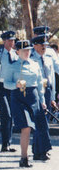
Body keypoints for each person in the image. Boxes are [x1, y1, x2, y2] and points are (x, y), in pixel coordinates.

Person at [5, 39, 43, 168]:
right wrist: (15, 85)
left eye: (28, 50)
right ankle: (24, 157)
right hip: (19, 97)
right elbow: (6, 83)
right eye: (24, 50)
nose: (27, 53)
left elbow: (39, 84)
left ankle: (37, 152)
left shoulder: (35, 64)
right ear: (17, 52)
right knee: (26, 127)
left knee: (34, 127)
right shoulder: (12, 66)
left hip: (33, 97)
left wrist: (42, 100)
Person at [31, 34, 54, 162]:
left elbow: (52, 79)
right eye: (41, 45)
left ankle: (39, 150)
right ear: (35, 46)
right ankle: (40, 150)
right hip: (37, 91)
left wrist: (53, 97)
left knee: (44, 121)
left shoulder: (48, 59)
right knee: (40, 121)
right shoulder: (31, 59)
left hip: (47, 90)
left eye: (45, 45)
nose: (44, 47)